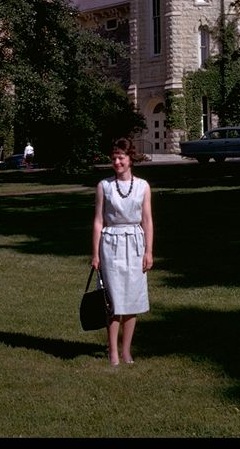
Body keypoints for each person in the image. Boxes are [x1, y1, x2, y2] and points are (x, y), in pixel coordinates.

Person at [91, 137, 154, 366]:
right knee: (113, 300)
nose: (117, 162)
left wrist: (149, 252)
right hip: (110, 245)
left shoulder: (143, 186)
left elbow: (147, 221)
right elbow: (98, 221)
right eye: (114, 158)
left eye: (121, 157)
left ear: (130, 159)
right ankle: (113, 351)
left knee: (132, 299)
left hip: (136, 245)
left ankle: (126, 350)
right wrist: (95, 254)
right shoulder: (104, 186)